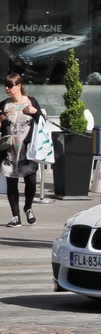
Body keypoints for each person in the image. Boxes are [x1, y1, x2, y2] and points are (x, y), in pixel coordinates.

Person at [0, 73, 43, 227]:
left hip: (28, 149)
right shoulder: (4, 105)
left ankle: (28, 207)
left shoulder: (31, 102)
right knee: (11, 183)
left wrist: (35, 112)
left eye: (10, 86)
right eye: (5, 85)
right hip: (10, 150)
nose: (7, 88)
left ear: (18, 86)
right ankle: (15, 216)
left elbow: (42, 122)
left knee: (30, 182)